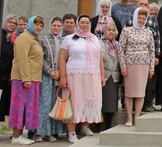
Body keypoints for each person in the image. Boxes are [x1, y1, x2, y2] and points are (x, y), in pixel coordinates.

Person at [59, 15, 105, 143]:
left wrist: (102, 75)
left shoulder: (95, 38)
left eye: (87, 22)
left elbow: (99, 58)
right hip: (74, 75)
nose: (84, 25)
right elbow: (62, 59)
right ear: (78, 24)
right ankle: (71, 132)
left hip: (92, 75)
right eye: (82, 22)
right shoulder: (69, 39)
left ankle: (85, 126)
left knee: (90, 99)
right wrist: (63, 77)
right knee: (74, 101)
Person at [9, 16, 44, 145]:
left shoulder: (34, 39)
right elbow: (22, 59)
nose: (39, 27)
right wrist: (26, 79)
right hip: (23, 79)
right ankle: (16, 135)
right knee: (19, 106)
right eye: (36, 24)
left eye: (41, 25)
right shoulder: (24, 38)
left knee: (27, 108)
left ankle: (20, 134)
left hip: (34, 78)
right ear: (30, 24)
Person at [120, 8, 156, 126]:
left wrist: (151, 68)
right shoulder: (126, 31)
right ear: (135, 18)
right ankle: (129, 118)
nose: (141, 20)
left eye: (143, 18)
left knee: (140, 92)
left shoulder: (148, 32)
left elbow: (152, 50)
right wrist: (123, 66)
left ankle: (137, 117)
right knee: (130, 92)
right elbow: (121, 49)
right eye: (139, 18)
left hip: (144, 64)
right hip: (130, 64)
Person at [36, 17, 66, 142]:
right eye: (54, 25)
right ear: (50, 26)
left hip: (59, 77)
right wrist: (50, 71)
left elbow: (65, 58)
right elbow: (40, 58)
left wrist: (60, 72)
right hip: (46, 76)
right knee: (44, 104)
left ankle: (51, 132)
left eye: (59, 26)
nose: (56, 28)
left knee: (55, 104)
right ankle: (40, 132)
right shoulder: (42, 39)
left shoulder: (64, 41)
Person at [0, 14, 17, 125]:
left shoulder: (10, 38)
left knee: (0, 104)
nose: (12, 25)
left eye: (14, 23)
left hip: (6, 76)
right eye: (10, 22)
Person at [100, 23, 121, 130]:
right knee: (103, 101)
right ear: (104, 31)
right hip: (103, 75)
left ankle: (108, 124)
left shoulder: (117, 44)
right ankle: (100, 124)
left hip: (115, 76)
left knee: (112, 102)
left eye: (113, 30)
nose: (111, 32)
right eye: (109, 29)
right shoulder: (99, 43)